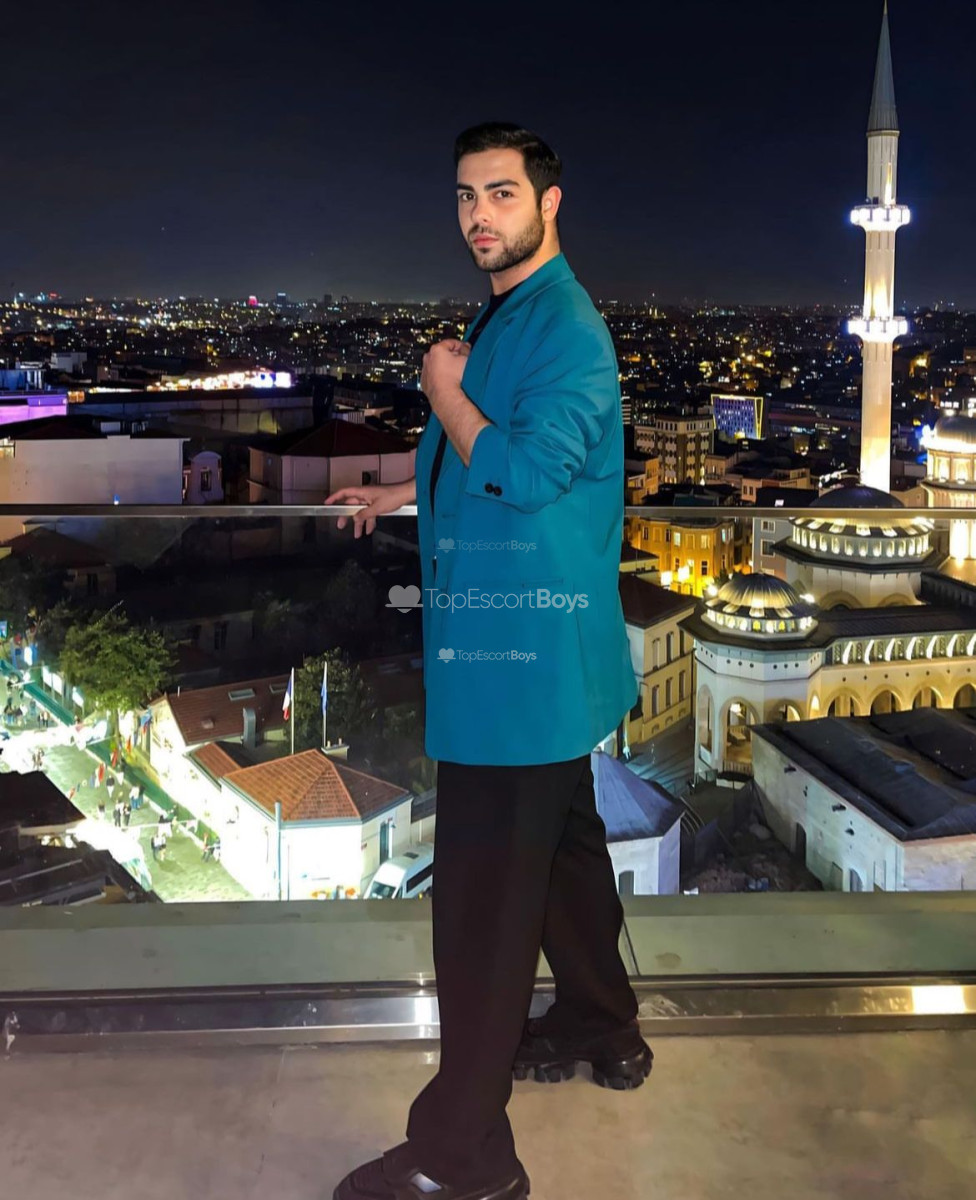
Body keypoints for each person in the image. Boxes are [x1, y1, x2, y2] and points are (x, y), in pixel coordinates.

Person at [326, 123, 650, 1200]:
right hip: (545, 655)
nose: (479, 215)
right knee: (561, 857)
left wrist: (439, 389)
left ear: (551, 203)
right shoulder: (511, 312)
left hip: (519, 671)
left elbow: (525, 471)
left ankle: (462, 1160)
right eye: (466, 195)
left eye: (502, 193)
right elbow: (482, 460)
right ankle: (603, 1023)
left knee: (478, 914)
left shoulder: (565, 329)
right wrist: (398, 490)